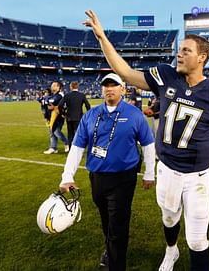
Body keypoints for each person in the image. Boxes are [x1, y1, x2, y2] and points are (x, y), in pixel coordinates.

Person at [83, 10, 209, 271]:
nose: (179, 54)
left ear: (201, 57)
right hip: (166, 169)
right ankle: (171, 250)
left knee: (198, 240)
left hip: (198, 175)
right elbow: (124, 70)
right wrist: (102, 37)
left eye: (186, 51)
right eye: (179, 50)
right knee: (168, 219)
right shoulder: (165, 76)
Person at [59, 73, 156, 271]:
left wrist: (149, 173)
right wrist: (67, 176)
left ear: (122, 89)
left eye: (114, 85)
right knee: (107, 219)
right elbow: (77, 147)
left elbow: (148, 145)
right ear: (102, 89)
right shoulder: (91, 115)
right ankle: (111, 247)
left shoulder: (134, 114)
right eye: (106, 85)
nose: (109, 88)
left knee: (118, 223)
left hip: (123, 178)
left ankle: (116, 264)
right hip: (97, 178)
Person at [58, 81, 91, 148]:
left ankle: (71, 149)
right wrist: (88, 114)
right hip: (78, 117)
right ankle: (78, 148)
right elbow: (87, 105)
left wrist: (63, 113)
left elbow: (60, 105)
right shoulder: (81, 95)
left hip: (69, 117)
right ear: (77, 87)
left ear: (71, 87)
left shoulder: (67, 95)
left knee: (70, 134)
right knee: (78, 134)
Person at [43, 81, 70, 154]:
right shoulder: (53, 94)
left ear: (58, 87)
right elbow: (46, 101)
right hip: (51, 117)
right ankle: (53, 147)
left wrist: (47, 100)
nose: (52, 86)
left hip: (58, 117)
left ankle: (67, 143)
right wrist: (47, 100)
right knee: (52, 133)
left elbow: (52, 101)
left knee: (56, 132)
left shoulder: (60, 95)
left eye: (54, 85)